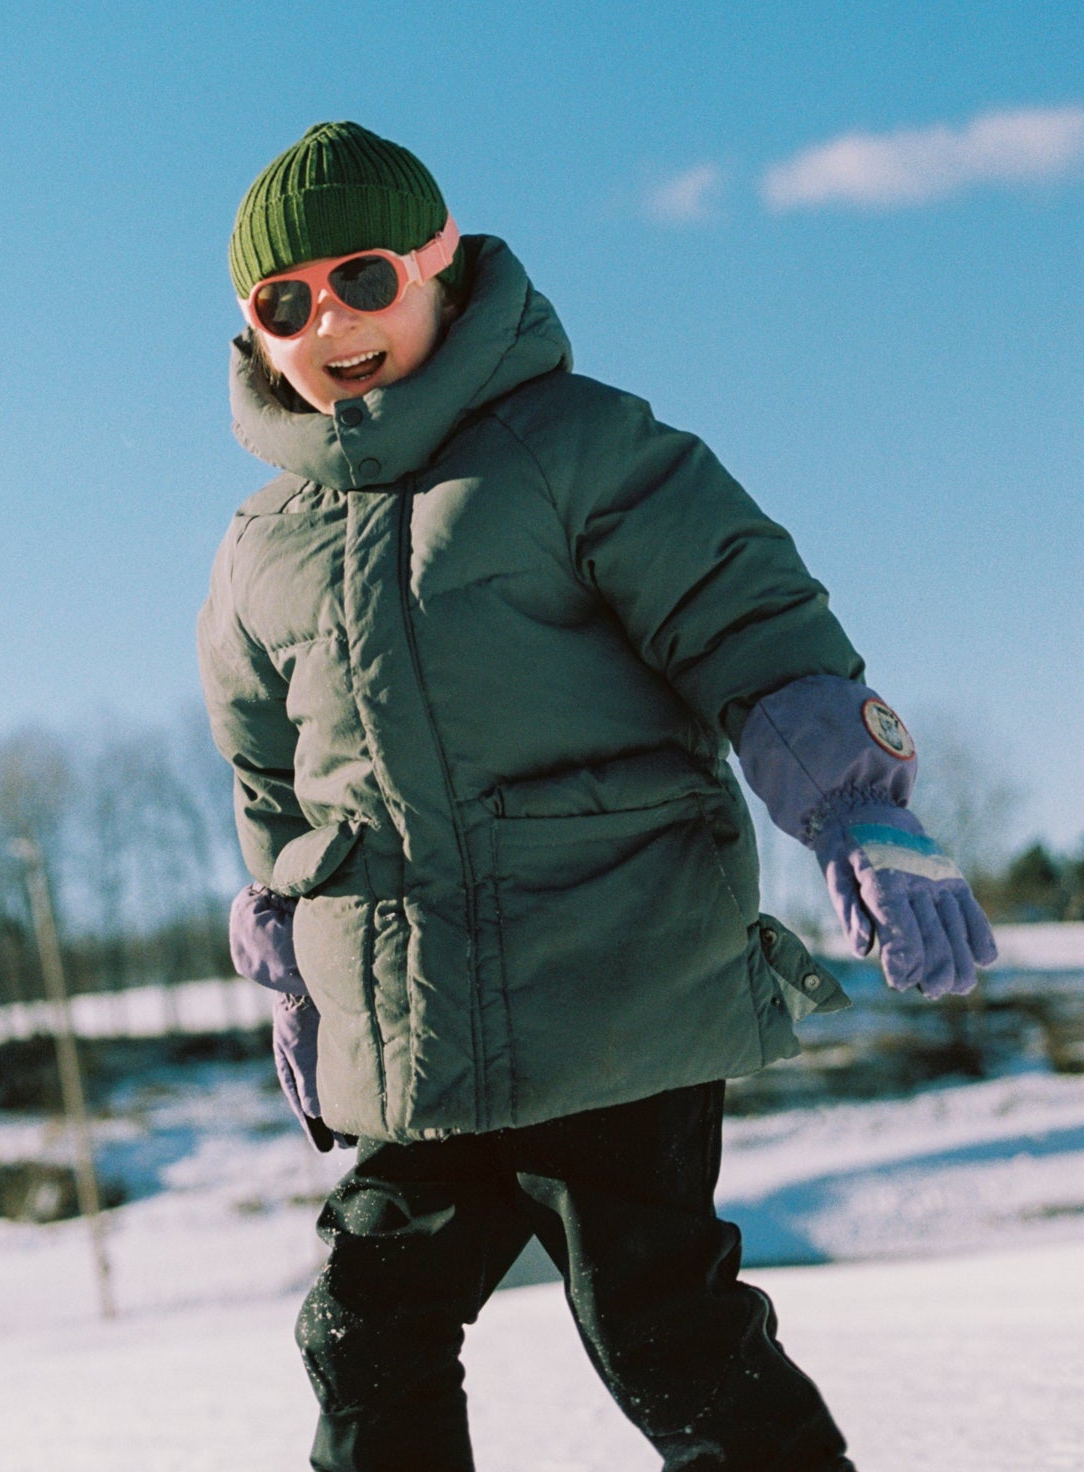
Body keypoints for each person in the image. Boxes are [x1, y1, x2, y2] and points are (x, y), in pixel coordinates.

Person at [198, 120, 996, 1472]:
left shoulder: (579, 447)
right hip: (420, 1034)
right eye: (288, 302)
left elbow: (748, 619)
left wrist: (856, 805)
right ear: (256, 330)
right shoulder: (258, 550)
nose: (329, 321)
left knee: (658, 1331)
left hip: (619, 994)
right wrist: (289, 959)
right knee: (365, 1329)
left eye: (365, 279)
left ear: (441, 270)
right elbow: (270, 776)